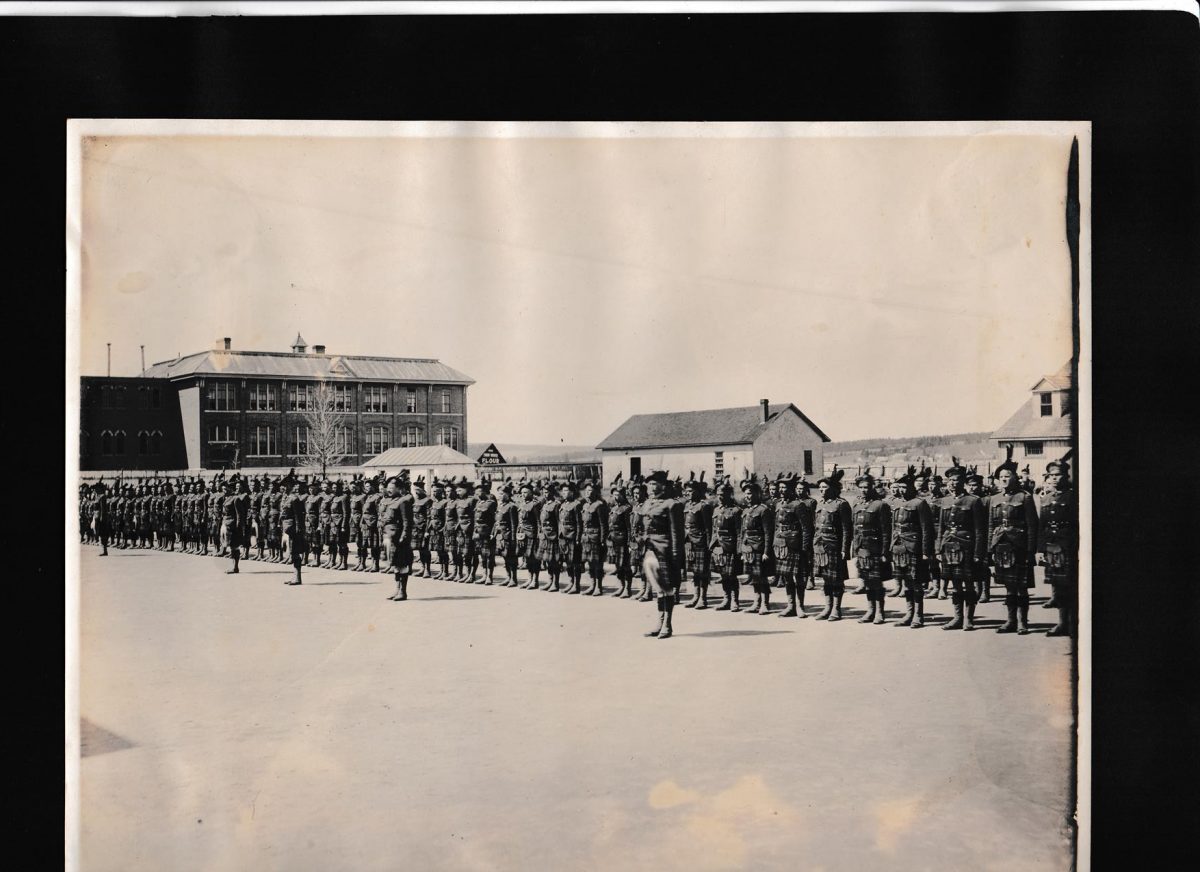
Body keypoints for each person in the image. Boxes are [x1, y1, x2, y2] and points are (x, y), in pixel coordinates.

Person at [989, 447, 1040, 634]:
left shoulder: (1024, 498)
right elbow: (990, 526)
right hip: (1001, 547)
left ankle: (1022, 623)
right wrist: (990, 549)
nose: (1004, 479)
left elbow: (1032, 526)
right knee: (1009, 588)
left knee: (1022, 587)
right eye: (1001, 476)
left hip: (1019, 547)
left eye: (1007, 476)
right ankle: (1010, 621)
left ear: (1015, 477)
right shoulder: (994, 499)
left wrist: (1031, 551)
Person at [934, 459, 988, 631]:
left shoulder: (973, 501)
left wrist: (979, 553)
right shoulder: (945, 501)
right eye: (949, 480)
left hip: (967, 547)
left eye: (956, 480)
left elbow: (980, 530)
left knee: (969, 584)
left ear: (963, 482)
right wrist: (938, 548)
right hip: (948, 547)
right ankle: (957, 617)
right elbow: (941, 528)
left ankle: (968, 619)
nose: (952, 483)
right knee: (955, 584)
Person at [638, 469, 685, 639]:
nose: (651, 487)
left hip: (665, 549)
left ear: (663, 486)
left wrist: (675, 555)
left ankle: (667, 625)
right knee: (658, 588)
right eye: (649, 484)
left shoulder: (672, 504)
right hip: (650, 549)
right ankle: (659, 623)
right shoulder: (647, 503)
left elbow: (676, 533)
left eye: (654, 483)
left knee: (667, 588)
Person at [888, 467, 936, 629]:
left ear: (912, 487)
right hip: (899, 548)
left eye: (905, 487)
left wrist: (925, 552)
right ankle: (909, 613)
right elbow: (893, 528)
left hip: (913, 548)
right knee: (906, 583)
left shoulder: (920, 504)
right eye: (899, 486)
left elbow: (926, 530)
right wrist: (891, 548)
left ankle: (918, 615)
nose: (902, 490)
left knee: (916, 583)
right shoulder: (896, 503)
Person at [1038, 459, 1076, 637]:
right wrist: (1040, 549)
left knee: (1072, 586)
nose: (1054, 478)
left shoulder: (1074, 496)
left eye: (1057, 475)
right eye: (1051, 475)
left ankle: (1074, 623)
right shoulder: (1046, 498)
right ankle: (1062, 624)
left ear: (1066, 475)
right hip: (1052, 548)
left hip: (1069, 546)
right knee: (1059, 587)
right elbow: (1042, 526)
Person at [852, 471, 893, 624]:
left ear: (872, 487)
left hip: (875, 549)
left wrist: (884, 552)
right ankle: (870, 611)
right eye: (861, 487)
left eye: (867, 487)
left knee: (877, 582)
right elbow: (855, 529)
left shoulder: (880, 505)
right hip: (862, 549)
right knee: (867, 581)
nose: (864, 490)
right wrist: (855, 549)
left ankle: (880, 612)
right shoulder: (857, 505)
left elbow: (886, 531)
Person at [813, 467, 853, 621]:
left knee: (836, 580)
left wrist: (844, 549)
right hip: (820, 547)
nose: (822, 490)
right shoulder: (819, 504)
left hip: (834, 546)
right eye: (820, 488)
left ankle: (836, 609)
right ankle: (827, 608)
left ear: (832, 489)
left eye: (825, 487)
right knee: (825, 579)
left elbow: (846, 529)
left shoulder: (841, 504)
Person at [772, 473, 812, 618]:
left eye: (785, 487)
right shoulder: (778, 504)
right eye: (780, 487)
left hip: (795, 546)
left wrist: (805, 548)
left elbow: (806, 528)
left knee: (799, 577)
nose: (782, 490)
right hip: (781, 545)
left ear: (791, 489)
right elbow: (776, 526)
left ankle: (800, 607)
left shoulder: (798, 505)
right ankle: (791, 606)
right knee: (787, 576)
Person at [738, 474, 775, 615]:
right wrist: (742, 550)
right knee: (754, 576)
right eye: (746, 494)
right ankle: (756, 602)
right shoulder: (746, 511)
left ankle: (765, 604)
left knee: (762, 576)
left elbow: (768, 533)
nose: (748, 496)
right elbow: (743, 532)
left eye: (750, 493)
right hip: (748, 549)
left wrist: (766, 551)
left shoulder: (763, 510)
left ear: (757, 494)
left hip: (759, 548)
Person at [710, 477, 742, 611]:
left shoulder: (735, 511)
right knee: (723, 574)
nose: (720, 497)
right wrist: (711, 545)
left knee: (732, 575)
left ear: (729, 495)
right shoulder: (716, 510)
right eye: (718, 495)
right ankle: (726, 599)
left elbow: (739, 532)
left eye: (722, 495)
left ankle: (735, 600)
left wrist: (739, 549)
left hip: (730, 546)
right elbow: (713, 529)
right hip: (718, 546)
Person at [383, 474, 415, 601]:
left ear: (399, 488)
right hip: (390, 538)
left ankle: (403, 592)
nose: (389, 489)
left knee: (402, 564)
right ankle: (397, 589)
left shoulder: (404, 502)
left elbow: (407, 522)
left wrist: (404, 536)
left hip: (399, 538)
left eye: (392, 487)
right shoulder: (390, 501)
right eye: (388, 487)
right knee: (395, 564)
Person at [580, 479, 609, 596]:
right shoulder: (585, 504)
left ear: (596, 492)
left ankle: (598, 587)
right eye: (587, 491)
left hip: (596, 538)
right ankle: (592, 585)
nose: (588, 493)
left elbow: (603, 524)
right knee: (589, 563)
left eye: (591, 490)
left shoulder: (600, 505)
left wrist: (602, 539)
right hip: (586, 538)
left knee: (597, 564)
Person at [607, 476, 634, 598]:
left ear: (623, 495)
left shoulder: (627, 508)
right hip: (614, 540)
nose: (616, 497)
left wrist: (629, 543)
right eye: (614, 495)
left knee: (625, 566)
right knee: (618, 565)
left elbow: (629, 528)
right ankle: (621, 586)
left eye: (618, 494)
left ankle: (627, 589)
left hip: (623, 540)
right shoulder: (613, 508)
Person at [558, 478, 585, 594]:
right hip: (563, 536)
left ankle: (576, 585)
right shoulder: (563, 504)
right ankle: (570, 582)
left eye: (567, 491)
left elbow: (579, 523)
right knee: (567, 562)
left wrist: (578, 538)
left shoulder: (577, 505)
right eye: (563, 491)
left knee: (575, 562)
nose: (564, 493)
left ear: (572, 492)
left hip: (573, 536)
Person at [471, 478, 498, 584]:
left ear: (485, 492)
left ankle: (489, 577)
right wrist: (474, 531)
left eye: (479, 492)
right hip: (478, 533)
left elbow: (495, 520)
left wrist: (492, 533)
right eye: (476, 492)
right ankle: (484, 575)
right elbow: (475, 519)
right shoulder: (478, 503)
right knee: (481, 555)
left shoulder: (491, 503)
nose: (477, 494)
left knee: (489, 556)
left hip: (487, 533)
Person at [537, 480, 563, 591]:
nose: (545, 494)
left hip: (553, 536)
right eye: (543, 492)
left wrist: (559, 537)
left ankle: (555, 583)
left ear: (552, 492)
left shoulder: (556, 504)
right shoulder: (544, 504)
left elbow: (559, 522)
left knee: (554, 561)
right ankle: (550, 580)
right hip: (544, 536)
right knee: (547, 560)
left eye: (547, 492)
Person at [516, 481, 542, 589]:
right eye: (522, 493)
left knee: (534, 559)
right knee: (527, 558)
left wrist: (538, 535)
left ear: (531, 493)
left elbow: (538, 521)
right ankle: (529, 579)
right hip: (523, 535)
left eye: (526, 492)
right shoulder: (521, 504)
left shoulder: (535, 504)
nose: (523, 494)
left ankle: (535, 581)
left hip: (532, 534)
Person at [494, 480, 520, 587]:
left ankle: (514, 579)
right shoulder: (500, 506)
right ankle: (508, 577)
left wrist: (513, 539)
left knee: (511, 558)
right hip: (501, 536)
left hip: (509, 536)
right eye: (499, 494)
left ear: (508, 494)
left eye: (501, 494)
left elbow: (514, 524)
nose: (499, 496)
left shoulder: (511, 506)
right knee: (505, 557)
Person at [282, 479, 307, 585]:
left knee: (295, 552)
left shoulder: (294, 499)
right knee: (291, 552)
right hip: (288, 528)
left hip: (293, 529)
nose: (283, 488)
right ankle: (294, 577)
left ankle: (297, 578)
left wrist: (298, 529)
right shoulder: (287, 498)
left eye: (285, 486)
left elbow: (298, 516)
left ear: (290, 487)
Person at [411, 477, 433, 578]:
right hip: (415, 528)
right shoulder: (415, 500)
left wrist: (427, 530)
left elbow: (429, 517)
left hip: (423, 528)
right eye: (415, 490)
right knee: (419, 549)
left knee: (425, 549)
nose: (416, 492)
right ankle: (422, 568)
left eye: (417, 490)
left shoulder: (427, 500)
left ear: (422, 490)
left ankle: (427, 569)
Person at [361, 477, 382, 573]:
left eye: (368, 486)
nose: (367, 488)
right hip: (365, 523)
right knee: (367, 545)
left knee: (375, 545)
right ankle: (371, 564)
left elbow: (379, 512)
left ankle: (376, 565)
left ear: (373, 487)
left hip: (373, 524)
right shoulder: (367, 497)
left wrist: (376, 523)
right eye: (365, 486)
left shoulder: (377, 497)